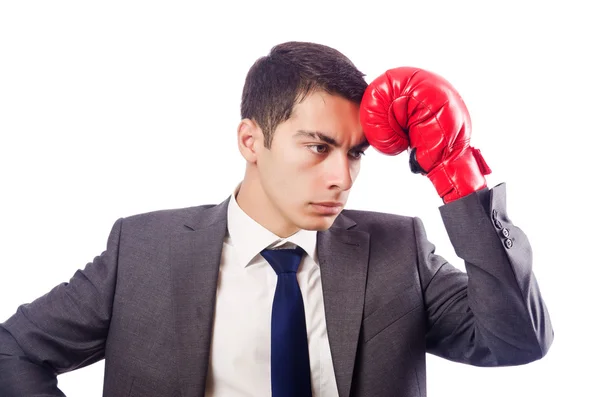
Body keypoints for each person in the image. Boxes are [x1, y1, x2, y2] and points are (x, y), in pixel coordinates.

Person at [0, 41, 553, 397]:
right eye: (317, 147)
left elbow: (517, 341)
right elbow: (15, 349)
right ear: (251, 141)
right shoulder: (143, 250)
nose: (343, 176)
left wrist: (457, 173)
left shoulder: (397, 248)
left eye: (356, 152)